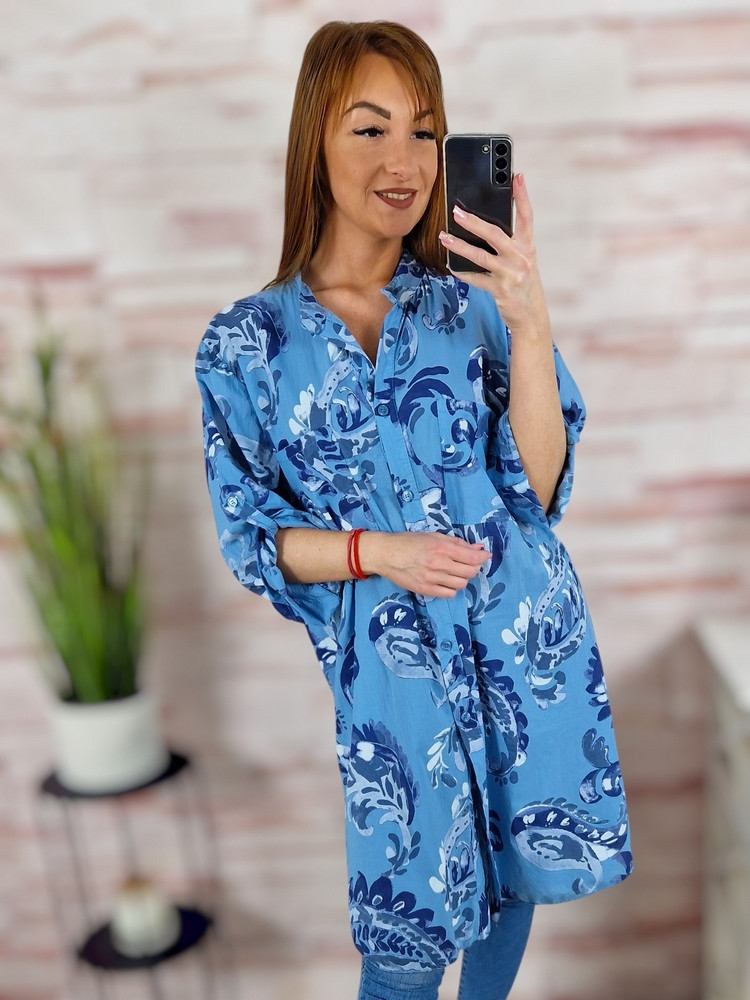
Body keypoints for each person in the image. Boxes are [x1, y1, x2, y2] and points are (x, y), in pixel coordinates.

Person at [196, 20, 633, 1000]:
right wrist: (376, 551)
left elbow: (539, 490)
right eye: (371, 129)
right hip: (394, 687)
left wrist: (529, 322)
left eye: (425, 132)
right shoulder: (248, 345)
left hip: (522, 652)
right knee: (404, 949)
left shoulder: (466, 304)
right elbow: (252, 537)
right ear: (315, 141)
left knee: (511, 887)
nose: (405, 162)